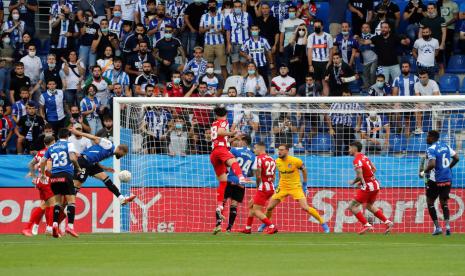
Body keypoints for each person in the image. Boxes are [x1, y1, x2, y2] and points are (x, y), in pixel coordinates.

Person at [263, 144, 329, 234]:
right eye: (279, 150)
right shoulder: (277, 161)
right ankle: (267, 224)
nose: (279, 152)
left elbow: (304, 170)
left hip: (295, 187)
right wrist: (277, 184)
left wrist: (305, 185)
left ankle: (323, 223)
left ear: (287, 151)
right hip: (282, 187)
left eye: (282, 150)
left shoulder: (296, 161)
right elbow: (280, 173)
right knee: (269, 207)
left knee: (305, 207)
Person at [70, 127, 135, 205]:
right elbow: (93, 137)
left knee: (106, 179)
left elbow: (96, 158)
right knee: (77, 185)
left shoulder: (110, 153)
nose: (122, 156)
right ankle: (69, 204)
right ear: (120, 150)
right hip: (83, 161)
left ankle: (121, 198)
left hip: (92, 164)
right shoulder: (109, 145)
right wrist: (78, 132)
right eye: (123, 155)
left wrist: (105, 168)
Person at [209, 106, 250, 228]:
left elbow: (220, 136)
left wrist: (233, 138)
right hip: (221, 150)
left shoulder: (214, 123)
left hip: (214, 154)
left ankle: (219, 206)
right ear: (225, 114)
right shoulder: (224, 121)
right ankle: (241, 177)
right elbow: (222, 132)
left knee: (223, 182)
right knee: (234, 162)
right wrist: (232, 132)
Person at [40, 128, 81, 238]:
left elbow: (42, 161)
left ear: (58, 136)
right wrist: (78, 168)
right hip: (66, 175)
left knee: (58, 203)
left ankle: (54, 225)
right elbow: (72, 158)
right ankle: (70, 227)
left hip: (54, 177)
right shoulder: (69, 144)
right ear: (68, 136)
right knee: (71, 202)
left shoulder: (52, 147)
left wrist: (43, 173)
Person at [347, 141, 394, 234]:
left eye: (350, 148)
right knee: (369, 206)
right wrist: (367, 179)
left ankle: (367, 225)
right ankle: (388, 222)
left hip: (368, 186)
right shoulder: (365, 157)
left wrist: (356, 182)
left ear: (354, 148)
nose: (349, 150)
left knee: (352, 206)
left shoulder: (356, 160)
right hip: (375, 184)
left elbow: (359, 174)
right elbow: (374, 169)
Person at [419, 130, 459, 236]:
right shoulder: (446, 146)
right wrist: (448, 168)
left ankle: (437, 228)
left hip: (436, 180)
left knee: (430, 202)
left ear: (432, 138)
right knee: (444, 203)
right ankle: (448, 227)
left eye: (427, 136)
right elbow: (456, 158)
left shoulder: (431, 149)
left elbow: (432, 164)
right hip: (447, 179)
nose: (426, 138)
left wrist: (424, 172)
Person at [214, 135, 256, 234]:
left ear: (243, 141)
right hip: (241, 182)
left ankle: (218, 224)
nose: (238, 142)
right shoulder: (253, 156)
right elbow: (252, 172)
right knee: (234, 205)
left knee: (222, 202)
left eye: (239, 140)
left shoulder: (235, 150)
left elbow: (225, 159)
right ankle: (229, 229)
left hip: (231, 179)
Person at [22, 135, 56, 237]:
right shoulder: (51, 152)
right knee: (48, 205)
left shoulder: (40, 152)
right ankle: (30, 227)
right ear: (53, 142)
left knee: (47, 204)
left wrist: (34, 175)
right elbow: (49, 168)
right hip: (47, 181)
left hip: (41, 181)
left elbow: (30, 164)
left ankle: (42, 227)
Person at [240, 141, 277, 234]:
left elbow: (258, 176)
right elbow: (274, 176)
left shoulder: (259, 159)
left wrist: (258, 186)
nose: (254, 150)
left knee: (256, 210)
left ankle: (272, 226)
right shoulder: (272, 159)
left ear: (261, 148)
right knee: (252, 206)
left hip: (263, 188)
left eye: (255, 148)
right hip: (271, 187)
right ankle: (248, 228)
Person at [325, 90, 361, 156]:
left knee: (350, 140)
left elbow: (359, 115)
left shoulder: (355, 103)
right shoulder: (336, 103)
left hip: (348, 126)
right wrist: (330, 128)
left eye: (347, 95)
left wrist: (358, 125)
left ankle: (348, 154)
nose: (345, 97)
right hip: (337, 125)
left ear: (351, 96)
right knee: (339, 131)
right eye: (344, 95)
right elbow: (328, 115)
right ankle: (337, 155)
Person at [224, 0, 252, 75]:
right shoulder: (228, 17)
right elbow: (228, 31)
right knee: (234, 64)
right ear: (233, 7)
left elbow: (251, 29)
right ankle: (235, 83)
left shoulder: (247, 15)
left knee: (244, 64)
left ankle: (244, 83)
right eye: (236, 7)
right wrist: (228, 44)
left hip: (245, 44)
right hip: (234, 44)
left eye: (239, 6)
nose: (238, 8)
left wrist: (251, 42)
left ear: (242, 7)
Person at [307, 19, 333, 95]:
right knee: (316, 83)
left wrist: (330, 62)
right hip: (314, 62)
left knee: (325, 82)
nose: (317, 28)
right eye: (315, 26)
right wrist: (310, 65)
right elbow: (309, 51)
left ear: (322, 27)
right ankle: (317, 102)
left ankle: (325, 102)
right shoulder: (311, 37)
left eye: (318, 26)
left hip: (325, 62)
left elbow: (331, 50)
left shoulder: (328, 36)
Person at [414, 70, 440, 134]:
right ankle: (419, 128)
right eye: (420, 77)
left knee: (437, 110)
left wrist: (427, 104)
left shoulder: (433, 83)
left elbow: (436, 97)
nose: (422, 79)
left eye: (424, 77)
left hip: (436, 102)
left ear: (428, 77)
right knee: (416, 107)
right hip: (424, 103)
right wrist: (423, 104)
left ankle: (437, 130)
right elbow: (417, 98)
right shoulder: (416, 84)